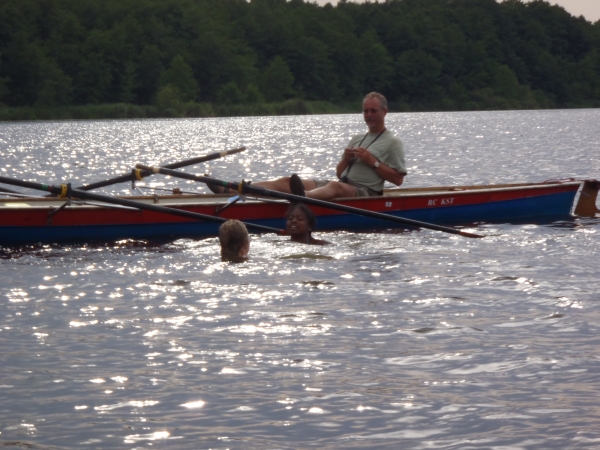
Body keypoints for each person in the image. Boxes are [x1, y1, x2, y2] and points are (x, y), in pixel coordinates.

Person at [251, 92, 407, 200]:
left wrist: (373, 162)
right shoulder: (358, 138)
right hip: (342, 184)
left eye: (373, 111)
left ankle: (302, 197)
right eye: (366, 111)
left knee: (333, 186)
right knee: (286, 181)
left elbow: (398, 180)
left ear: (385, 112)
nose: (369, 115)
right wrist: (346, 159)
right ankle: (243, 188)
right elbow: (340, 173)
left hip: (365, 192)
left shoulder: (393, 142)